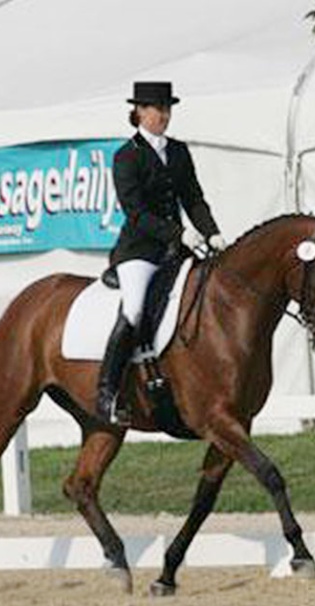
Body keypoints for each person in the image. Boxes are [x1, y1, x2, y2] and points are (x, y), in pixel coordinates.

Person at [96, 81, 227, 424]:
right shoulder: (126, 156)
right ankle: (108, 391)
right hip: (138, 251)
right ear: (140, 111)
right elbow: (136, 214)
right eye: (158, 108)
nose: (164, 115)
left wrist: (213, 234)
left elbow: (193, 199)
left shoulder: (179, 151)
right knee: (135, 309)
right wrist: (180, 232)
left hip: (176, 249)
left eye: (168, 109)